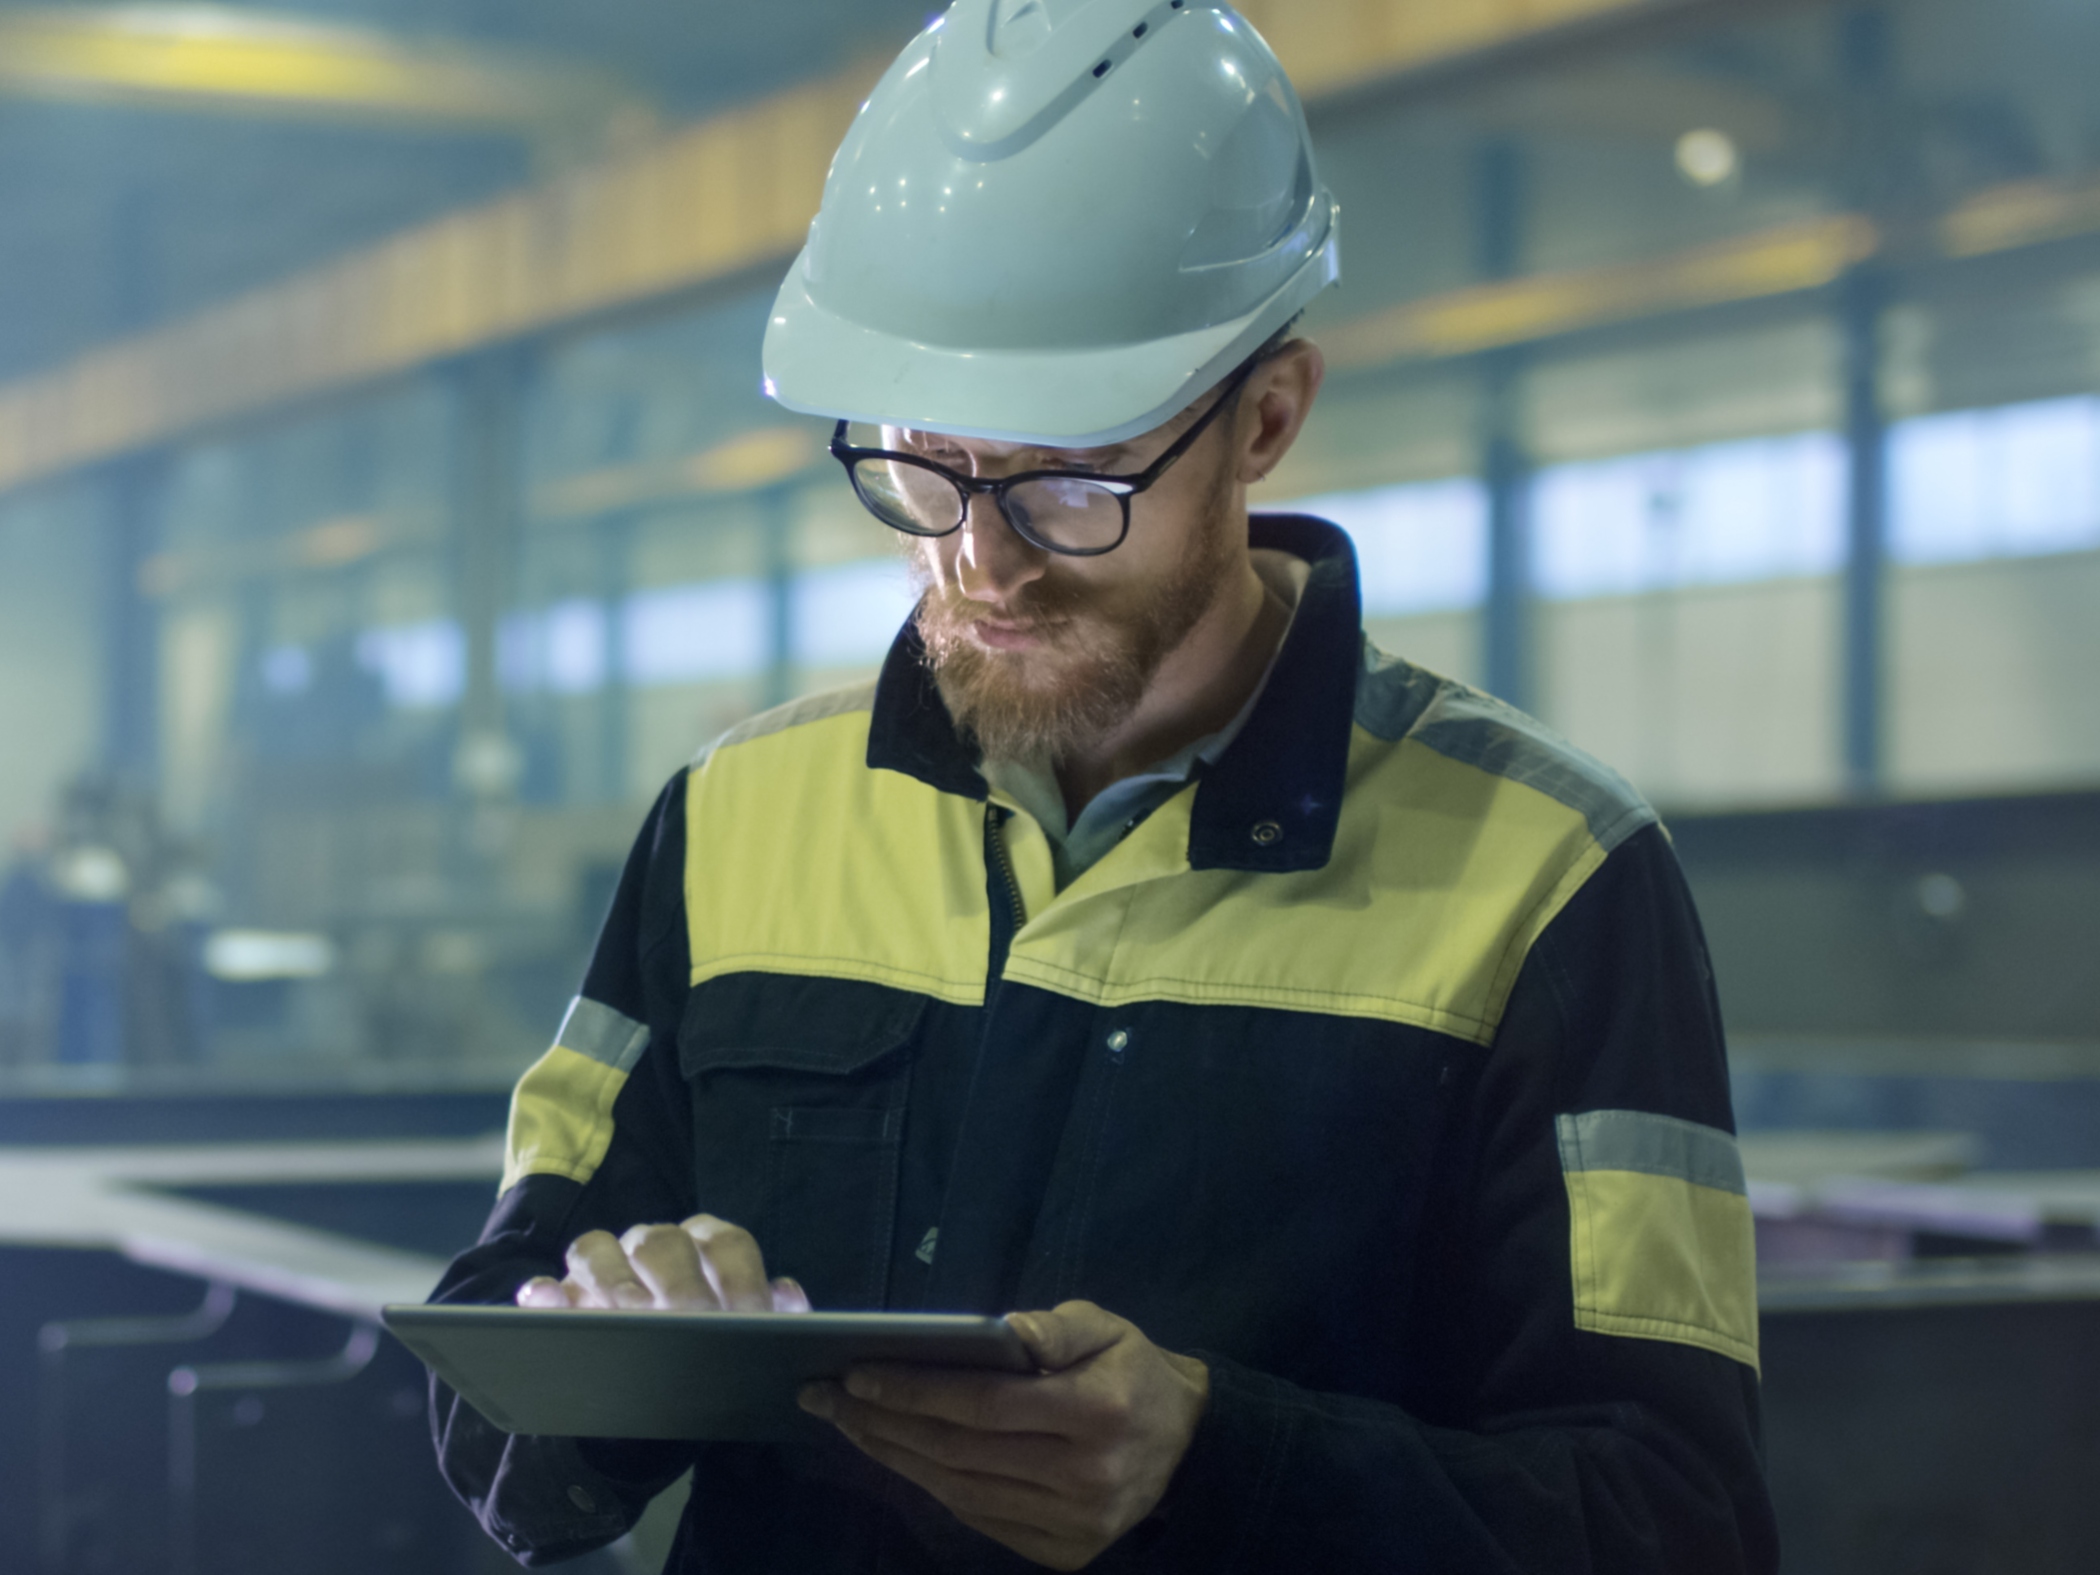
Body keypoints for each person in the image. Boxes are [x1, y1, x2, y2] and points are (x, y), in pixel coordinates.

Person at [428, 3, 1779, 1570]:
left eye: (1070, 477)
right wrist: (610, 1357)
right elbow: (496, 1413)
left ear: (1266, 418)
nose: (978, 558)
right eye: (922, 468)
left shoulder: (1549, 876)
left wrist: (1217, 1470)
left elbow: (1676, 1526)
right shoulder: (734, 824)